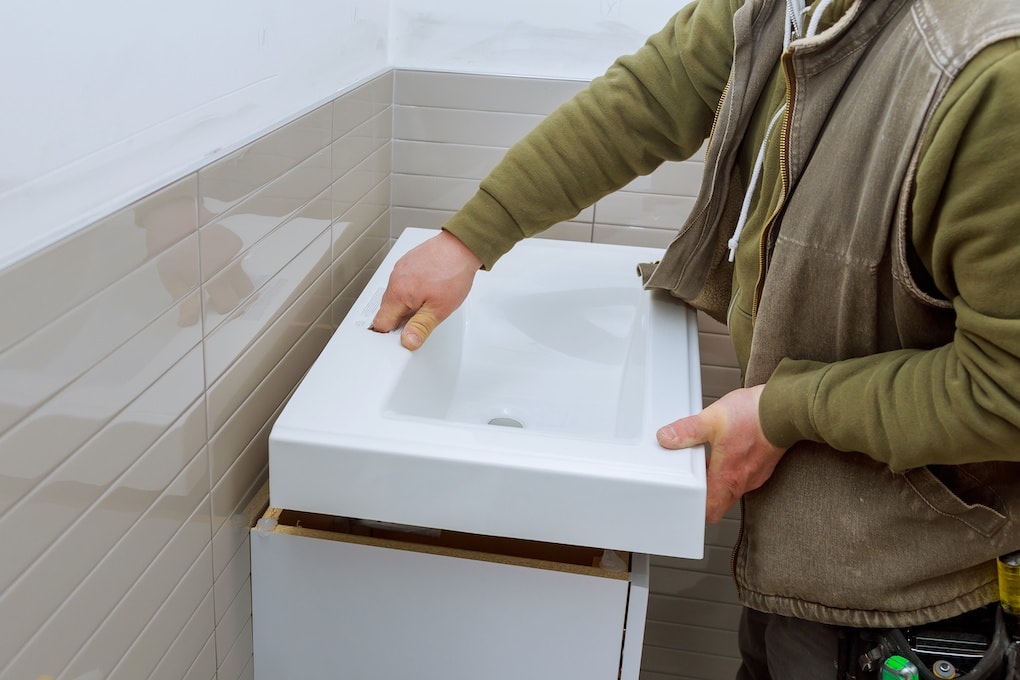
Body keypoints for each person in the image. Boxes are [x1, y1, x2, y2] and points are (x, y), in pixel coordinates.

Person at [371, 0, 1020, 676]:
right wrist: (471, 237)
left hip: (924, 587)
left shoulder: (991, 72)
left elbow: (1009, 391)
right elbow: (647, 99)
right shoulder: (788, 8)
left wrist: (782, 411)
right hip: (812, 552)